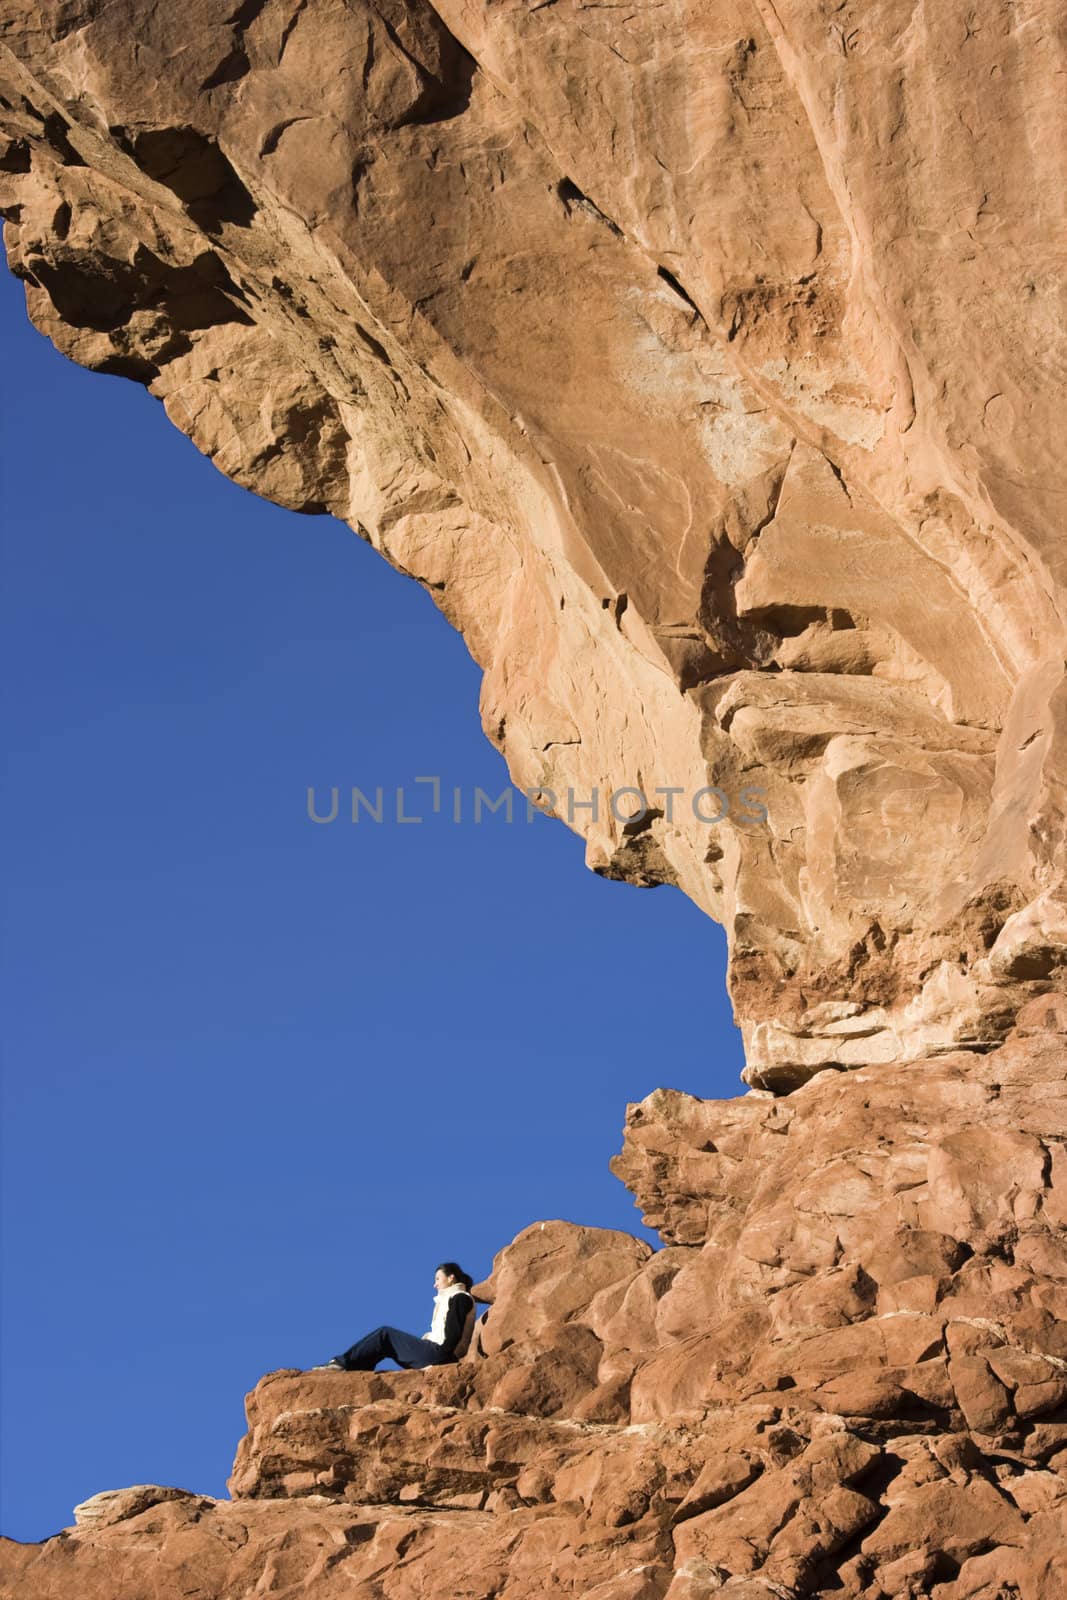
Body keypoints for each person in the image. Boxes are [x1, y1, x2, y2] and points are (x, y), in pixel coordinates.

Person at [312, 1262, 478, 1371]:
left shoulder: (459, 1298)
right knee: (386, 1344)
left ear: (451, 1278)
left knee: (385, 1335)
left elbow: (453, 1334)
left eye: (437, 1278)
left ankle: (342, 1364)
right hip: (438, 1354)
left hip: (439, 1354)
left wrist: (440, 1362)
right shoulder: (453, 1298)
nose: (434, 1284)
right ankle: (352, 1368)